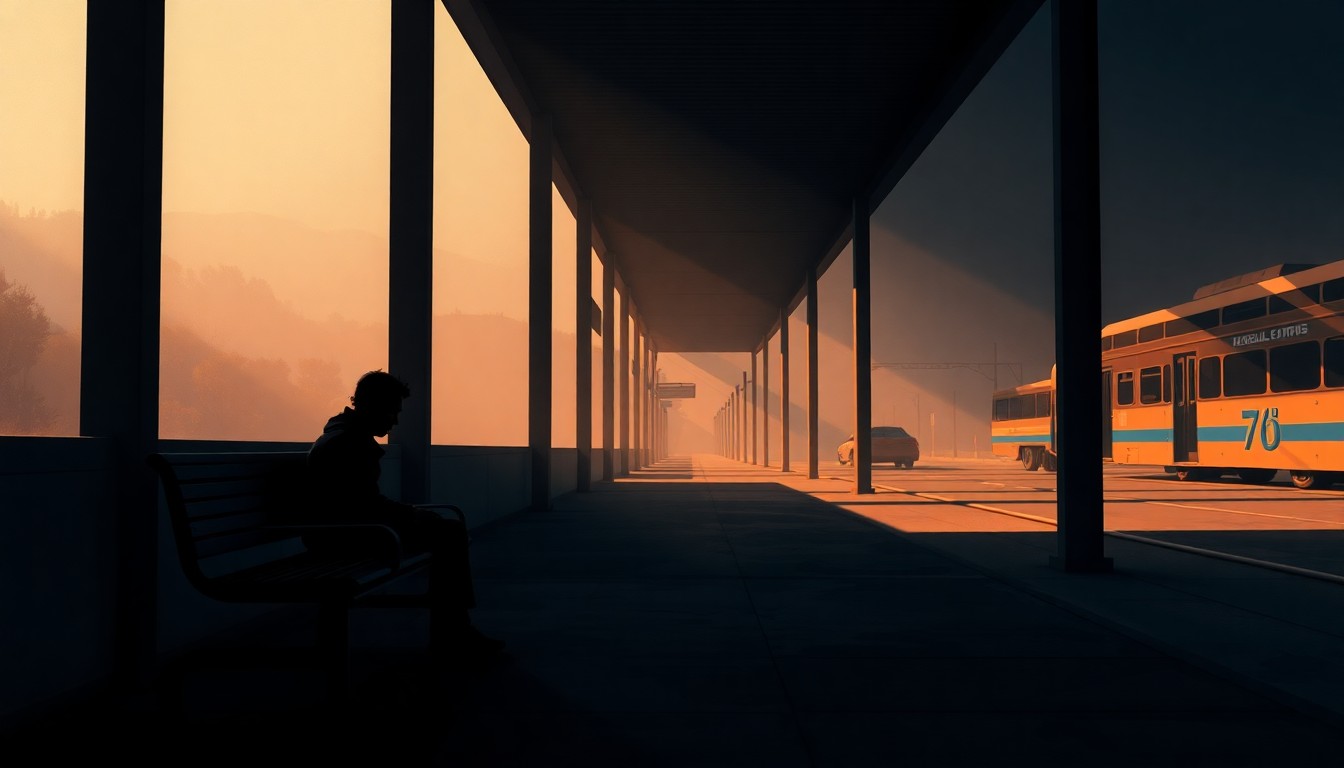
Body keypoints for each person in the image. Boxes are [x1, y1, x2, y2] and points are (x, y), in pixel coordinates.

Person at [306, 369, 504, 661]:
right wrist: (410, 515)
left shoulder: (341, 436)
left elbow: (357, 503)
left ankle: (455, 631)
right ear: (372, 405)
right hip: (345, 537)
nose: (395, 421)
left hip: (337, 531)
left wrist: (408, 515)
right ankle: (454, 633)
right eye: (391, 412)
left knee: (445, 530)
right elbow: (364, 506)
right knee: (449, 533)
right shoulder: (350, 444)